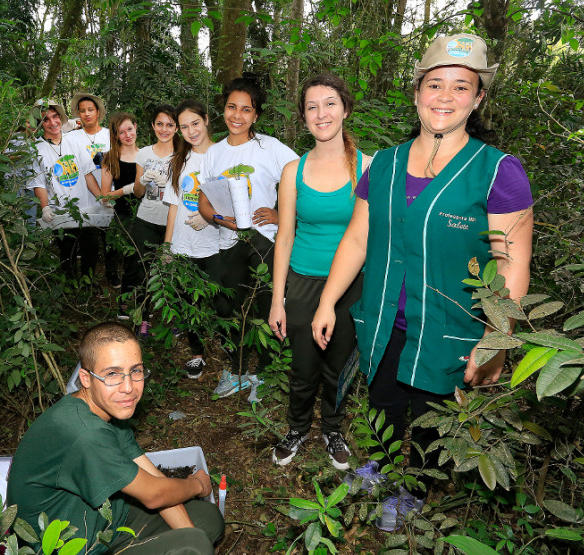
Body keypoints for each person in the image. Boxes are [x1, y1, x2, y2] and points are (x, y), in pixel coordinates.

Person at [311, 33, 534, 531]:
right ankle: (386, 467)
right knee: (385, 399)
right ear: (416, 92)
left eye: (461, 87)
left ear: (478, 99)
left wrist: (498, 338)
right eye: (435, 84)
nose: (445, 97)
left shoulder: (498, 172)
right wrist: (327, 302)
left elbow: (512, 264)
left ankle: (415, 491)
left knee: (434, 417)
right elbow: (356, 240)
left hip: (450, 327)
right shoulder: (383, 164)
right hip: (385, 318)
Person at [7, 322, 225, 555]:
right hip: (66, 546)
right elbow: (153, 495)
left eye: (136, 371)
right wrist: (196, 485)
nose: (129, 387)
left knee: (207, 521)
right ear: (86, 378)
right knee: (196, 545)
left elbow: (154, 480)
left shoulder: (109, 408)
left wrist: (189, 535)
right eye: (112, 374)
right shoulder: (85, 433)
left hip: (102, 523)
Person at [268, 74, 370, 471]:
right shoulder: (294, 170)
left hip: (351, 285)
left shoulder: (370, 167)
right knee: (303, 363)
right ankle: (297, 427)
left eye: (329, 103)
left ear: (345, 108)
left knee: (339, 363)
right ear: (304, 118)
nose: (321, 113)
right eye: (311, 106)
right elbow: (285, 236)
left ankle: (332, 427)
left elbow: (372, 237)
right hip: (304, 280)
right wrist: (278, 298)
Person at [197, 77, 298, 397]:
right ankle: (236, 370)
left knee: (266, 306)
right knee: (227, 307)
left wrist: (282, 216)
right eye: (231, 107)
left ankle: (266, 376)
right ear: (223, 110)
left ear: (256, 115)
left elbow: (307, 179)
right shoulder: (214, 153)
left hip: (264, 239)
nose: (237, 115)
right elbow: (204, 199)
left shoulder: (270, 148)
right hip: (227, 240)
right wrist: (215, 217)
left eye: (246, 109)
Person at [162, 100, 236, 380]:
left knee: (221, 300)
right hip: (183, 244)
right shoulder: (179, 161)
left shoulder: (223, 156)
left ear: (206, 120)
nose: (191, 131)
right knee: (185, 302)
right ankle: (196, 353)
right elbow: (173, 205)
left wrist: (208, 216)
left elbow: (233, 202)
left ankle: (230, 346)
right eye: (184, 127)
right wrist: (168, 247)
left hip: (215, 243)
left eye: (195, 123)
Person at [120, 106, 179, 331]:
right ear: (153, 125)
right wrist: (143, 180)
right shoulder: (143, 153)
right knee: (141, 268)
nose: (164, 129)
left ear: (176, 128)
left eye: (170, 125)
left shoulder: (184, 152)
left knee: (173, 269)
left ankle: (174, 317)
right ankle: (143, 316)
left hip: (172, 222)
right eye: (160, 124)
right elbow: (137, 192)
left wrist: (172, 185)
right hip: (146, 218)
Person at [26, 98, 99, 280]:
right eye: (46, 119)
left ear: (61, 118)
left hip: (85, 208)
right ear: (40, 124)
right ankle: (71, 286)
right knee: (68, 251)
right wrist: (44, 207)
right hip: (60, 211)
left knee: (91, 247)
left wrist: (101, 197)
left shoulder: (74, 141)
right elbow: (39, 183)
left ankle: (88, 283)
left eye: (55, 117)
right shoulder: (36, 149)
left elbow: (87, 173)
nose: (52, 123)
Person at [68, 91, 116, 281]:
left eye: (90, 110)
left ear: (98, 112)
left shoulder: (110, 135)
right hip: (85, 199)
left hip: (111, 195)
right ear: (78, 115)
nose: (86, 114)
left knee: (111, 239)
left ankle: (112, 274)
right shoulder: (72, 138)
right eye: (82, 111)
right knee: (89, 243)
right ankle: (88, 279)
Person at [99, 112, 141, 288]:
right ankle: (113, 275)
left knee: (138, 254)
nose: (128, 135)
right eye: (122, 132)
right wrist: (126, 190)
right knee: (115, 249)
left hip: (145, 214)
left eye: (130, 129)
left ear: (136, 127)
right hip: (122, 215)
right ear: (115, 135)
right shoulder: (110, 158)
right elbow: (104, 196)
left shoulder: (146, 155)